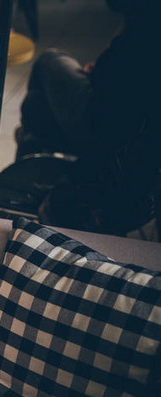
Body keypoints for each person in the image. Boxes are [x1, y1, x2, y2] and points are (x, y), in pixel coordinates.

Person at [13, 0, 161, 234]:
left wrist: (100, 73)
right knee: (36, 105)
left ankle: (23, 164)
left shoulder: (147, 20)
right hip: (119, 124)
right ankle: (29, 146)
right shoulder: (146, 23)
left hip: (103, 123)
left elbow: (117, 83)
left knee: (50, 60)